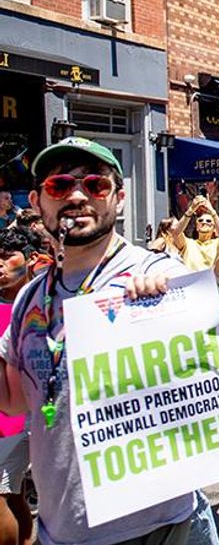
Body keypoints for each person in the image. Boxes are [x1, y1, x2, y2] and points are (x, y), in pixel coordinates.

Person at [1, 136, 196, 543]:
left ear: (119, 199)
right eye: (59, 186)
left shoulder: (160, 275)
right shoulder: (30, 299)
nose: (77, 195)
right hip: (62, 529)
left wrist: (170, 313)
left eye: (95, 185)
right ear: (37, 202)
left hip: (155, 529)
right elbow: (15, 401)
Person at [0, 228, 36, 545]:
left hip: (16, 419)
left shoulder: (39, 304)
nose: (0, 264)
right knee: (12, 495)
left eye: (7, 256)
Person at [173, 195, 219, 271]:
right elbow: (176, 233)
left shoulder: (217, 244)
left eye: (209, 221)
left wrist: (212, 211)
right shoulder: (188, 243)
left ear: (214, 229)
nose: (204, 222)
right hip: (191, 281)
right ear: (197, 227)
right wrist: (191, 209)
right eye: (200, 221)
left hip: (211, 281)